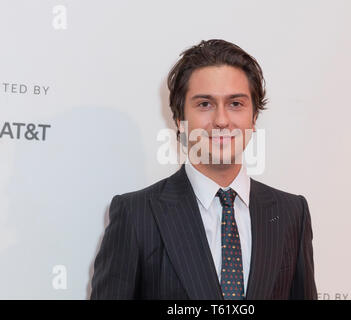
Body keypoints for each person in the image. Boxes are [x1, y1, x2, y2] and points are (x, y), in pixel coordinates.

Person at [90, 39, 317, 300]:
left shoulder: (291, 213)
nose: (221, 120)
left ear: (253, 118)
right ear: (180, 119)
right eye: (204, 104)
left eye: (236, 104)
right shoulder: (135, 214)